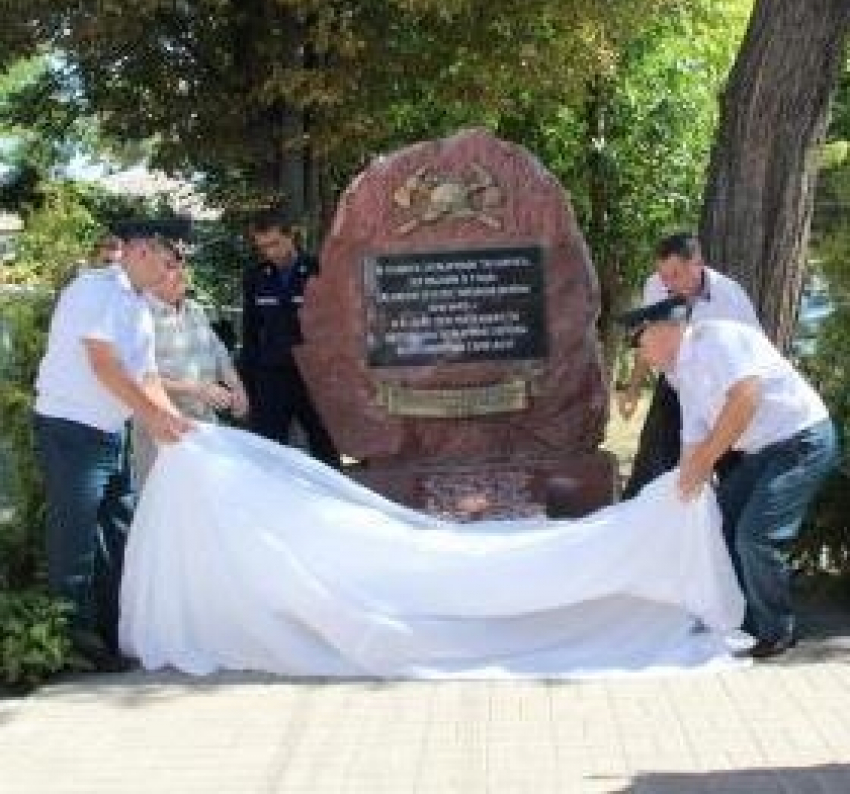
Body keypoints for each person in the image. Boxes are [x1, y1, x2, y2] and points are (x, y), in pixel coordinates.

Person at [119, 422, 746, 678]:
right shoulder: (211, 489)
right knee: (421, 562)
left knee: (438, 559)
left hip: (202, 449)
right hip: (198, 449)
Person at [621, 297, 838, 659]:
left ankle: (775, 631)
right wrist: (687, 482)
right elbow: (694, 431)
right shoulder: (679, 372)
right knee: (717, 523)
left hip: (801, 440)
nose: (641, 354)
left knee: (756, 537)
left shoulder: (718, 340)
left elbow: (745, 399)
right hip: (763, 450)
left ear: (664, 332)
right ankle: (739, 618)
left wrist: (706, 459)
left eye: (641, 344)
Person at [33, 217, 194, 670]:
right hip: (71, 431)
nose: (171, 272)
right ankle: (70, 645)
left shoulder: (139, 307)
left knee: (118, 532)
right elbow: (103, 365)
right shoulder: (95, 291)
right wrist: (152, 415)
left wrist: (175, 422)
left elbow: (146, 376)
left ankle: (109, 635)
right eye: (166, 261)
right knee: (77, 539)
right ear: (142, 251)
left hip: (110, 432)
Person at [618, 232, 761, 498]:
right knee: (666, 464)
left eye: (675, 275)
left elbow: (753, 359)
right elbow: (649, 337)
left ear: (697, 263)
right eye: (663, 276)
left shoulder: (731, 298)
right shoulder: (655, 286)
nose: (668, 285)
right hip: (677, 391)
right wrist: (633, 388)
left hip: (722, 400)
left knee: (729, 469)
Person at [132, 243, 249, 483]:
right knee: (165, 509)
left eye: (181, 266)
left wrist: (238, 388)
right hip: (162, 434)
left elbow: (219, 354)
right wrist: (197, 389)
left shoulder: (195, 310)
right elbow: (138, 377)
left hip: (204, 428)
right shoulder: (137, 314)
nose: (181, 273)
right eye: (170, 267)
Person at [241, 208, 340, 467]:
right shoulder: (255, 276)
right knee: (270, 449)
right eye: (263, 247)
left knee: (325, 445)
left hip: (313, 374)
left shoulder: (317, 269)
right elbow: (250, 331)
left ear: (291, 236)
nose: (270, 252)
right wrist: (249, 380)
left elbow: (333, 324)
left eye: (274, 243)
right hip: (272, 374)